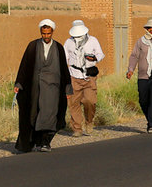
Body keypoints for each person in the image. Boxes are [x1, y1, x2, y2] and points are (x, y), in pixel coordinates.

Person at [14, 19, 72, 153]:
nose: (46, 36)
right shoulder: (33, 46)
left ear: (52, 32)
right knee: (34, 114)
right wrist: (19, 83)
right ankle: (36, 141)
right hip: (36, 86)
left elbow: (64, 69)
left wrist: (67, 88)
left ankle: (46, 142)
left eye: (48, 34)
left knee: (50, 114)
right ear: (41, 32)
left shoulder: (58, 47)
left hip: (53, 88)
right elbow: (24, 65)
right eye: (44, 34)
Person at [65, 19, 105, 137]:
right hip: (74, 75)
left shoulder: (93, 41)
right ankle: (77, 128)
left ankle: (89, 121)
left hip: (89, 76)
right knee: (74, 103)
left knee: (90, 101)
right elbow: (65, 58)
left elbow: (100, 54)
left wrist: (94, 58)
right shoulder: (68, 42)